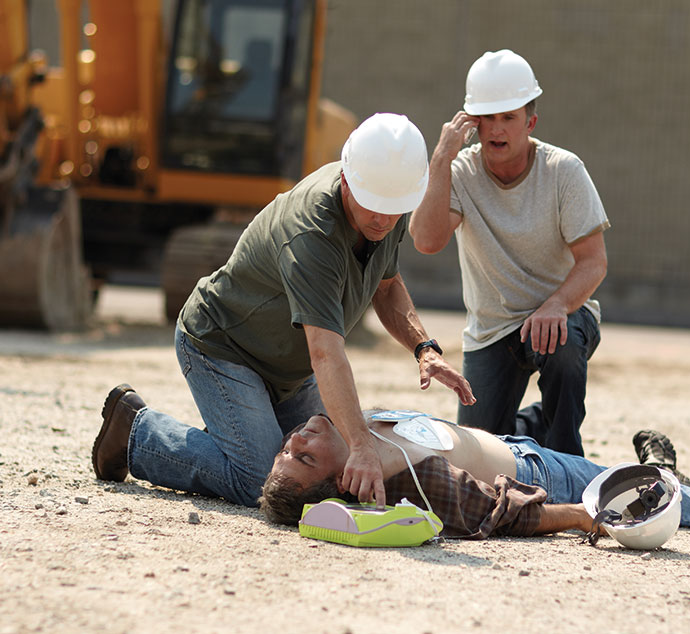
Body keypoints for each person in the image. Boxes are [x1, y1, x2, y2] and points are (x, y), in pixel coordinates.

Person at [91, 113, 475, 508]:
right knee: (260, 477)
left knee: (325, 466)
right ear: (347, 179)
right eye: (373, 207)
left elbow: (388, 285)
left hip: (286, 367)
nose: (382, 219)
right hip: (223, 347)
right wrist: (361, 446)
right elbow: (325, 351)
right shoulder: (313, 232)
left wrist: (423, 348)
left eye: (393, 209)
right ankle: (135, 431)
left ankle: (231, 438)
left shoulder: (386, 198)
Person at [409, 49, 609, 456]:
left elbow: (594, 262)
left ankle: (568, 457)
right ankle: (534, 424)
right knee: (482, 452)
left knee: (563, 346)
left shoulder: (564, 171)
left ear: (530, 122)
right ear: (470, 122)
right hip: (492, 331)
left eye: (508, 117)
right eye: (486, 118)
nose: (496, 129)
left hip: (559, 316)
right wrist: (441, 159)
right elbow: (427, 241)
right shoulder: (459, 172)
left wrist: (557, 306)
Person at [258, 410, 690, 540]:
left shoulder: (344, 417)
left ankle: (659, 470)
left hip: (518, 443)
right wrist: (582, 515)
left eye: (289, 446)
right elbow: (496, 512)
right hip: (544, 475)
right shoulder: (406, 483)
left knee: (654, 484)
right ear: (345, 484)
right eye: (303, 456)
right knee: (671, 503)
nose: (298, 439)